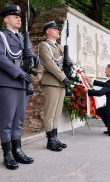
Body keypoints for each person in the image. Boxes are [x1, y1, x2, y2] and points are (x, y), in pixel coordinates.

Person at [0, 5, 40, 170]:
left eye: (19, 16)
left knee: (18, 120)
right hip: (9, 82)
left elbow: (36, 62)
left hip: (23, 84)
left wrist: (31, 54)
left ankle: (17, 149)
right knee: (7, 120)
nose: (18, 18)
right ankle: (7, 153)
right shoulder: (0, 35)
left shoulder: (23, 38)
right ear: (6, 19)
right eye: (14, 16)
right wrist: (18, 73)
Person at [37, 21, 71, 152]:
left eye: (58, 29)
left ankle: (55, 137)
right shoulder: (44, 46)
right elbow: (50, 64)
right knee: (50, 112)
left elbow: (69, 61)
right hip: (51, 81)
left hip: (61, 83)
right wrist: (63, 77)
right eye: (54, 29)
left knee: (57, 113)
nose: (57, 30)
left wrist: (69, 63)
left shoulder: (60, 47)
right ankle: (50, 140)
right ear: (47, 31)